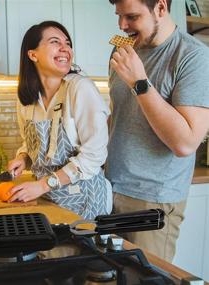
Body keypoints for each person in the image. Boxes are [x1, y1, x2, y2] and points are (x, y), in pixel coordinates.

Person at [106, 0, 209, 262]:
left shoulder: (193, 56)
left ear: (160, 8)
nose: (121, 25)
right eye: (119, 16)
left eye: (131, 16)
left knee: (145, 279)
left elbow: (185, 143)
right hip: (109, 190)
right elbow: (120, 116)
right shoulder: (124, 49)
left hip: (152, 201)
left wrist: (139, 82)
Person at [8, 21, 112, 219]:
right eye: (55, 42)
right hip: (48, 200)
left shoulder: (80, 88)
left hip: (86, 202)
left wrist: (43, 185)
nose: (65, 48)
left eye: (68, 43)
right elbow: (32, 144)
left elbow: (94, 155)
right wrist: (23, 158)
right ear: (33, 54)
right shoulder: (26, 99)